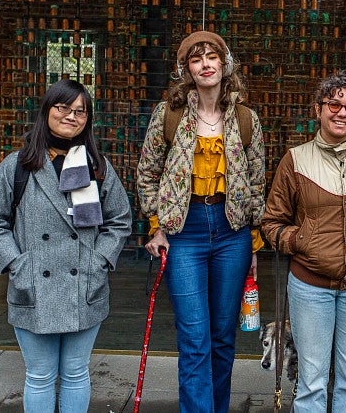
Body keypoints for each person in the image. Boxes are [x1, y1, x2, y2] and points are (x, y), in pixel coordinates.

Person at [0, 79, 132, 412]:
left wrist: (98, 261)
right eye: (64, 107)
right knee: (40, 375)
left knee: (76, 373)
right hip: (33, 287)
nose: (72, 116)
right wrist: (18, 265)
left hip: (85, 286)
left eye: (80, 111)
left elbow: (120, 220)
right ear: (47, 110)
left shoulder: (97, 167)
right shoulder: (16, 167)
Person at [136, 30, 265, 413]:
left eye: (213, 56)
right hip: (184, 232)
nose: (206, 64)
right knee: (194, 338)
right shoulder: (169, 114)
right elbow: (147, 173)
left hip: (232, 234)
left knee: (223, 337)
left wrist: (254, 244)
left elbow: (257, 182)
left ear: (225, 64)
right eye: (197, 58)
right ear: (186, 69)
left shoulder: (246, 118)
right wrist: (156, 224)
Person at [261, 70, 346, 412]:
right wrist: (304, 240)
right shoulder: (295, 160)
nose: (342, 112)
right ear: (318, 109)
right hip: (310, 287)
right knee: (311, 380)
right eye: (334, 104)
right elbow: (271, 222)